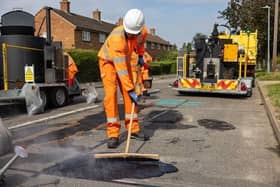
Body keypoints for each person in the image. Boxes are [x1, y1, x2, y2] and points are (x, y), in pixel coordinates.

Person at [98, 9, 149, 148]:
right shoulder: (117, 40)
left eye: (134, 34)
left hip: (124, 59)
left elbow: (140, 44)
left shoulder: (142, 31)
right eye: (129, 33)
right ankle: (113, 133)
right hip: (108, 62)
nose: (132, 35)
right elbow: (121, 71)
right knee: (111, 95)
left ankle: (133, 128)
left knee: (129, 97)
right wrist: (131, 89)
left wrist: (140, 55)